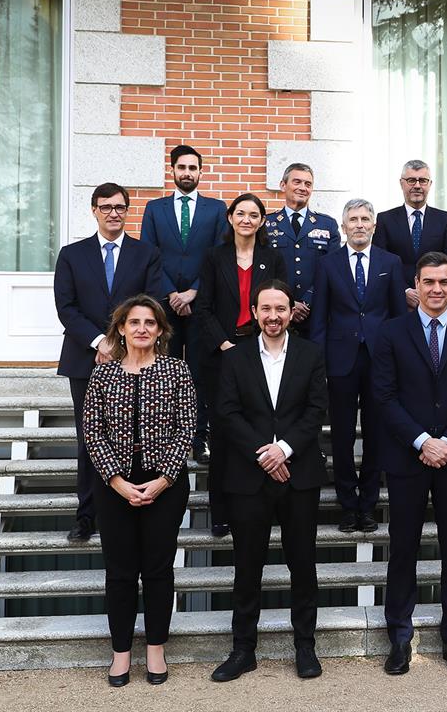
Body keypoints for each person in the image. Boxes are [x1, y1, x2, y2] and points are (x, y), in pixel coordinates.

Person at [372, 252, 447, 675]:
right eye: (429, 282)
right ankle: (400, 638)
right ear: (416, 285)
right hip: (408, 457)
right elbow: (384, 396)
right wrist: (423, 441)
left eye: (444, 282)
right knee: (403, 549)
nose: (437, 289)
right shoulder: (390, 333)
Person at [210, 280, 329, 682]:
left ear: (291, 312)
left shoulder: (311, 354)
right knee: (247, 567)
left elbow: (316, 411)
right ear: (255, 311)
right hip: (249, 476)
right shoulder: (236, 357)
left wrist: (286, 450)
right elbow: (226, 413)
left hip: (299, 475)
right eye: (266, 309)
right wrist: (265, 451)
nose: (274, 316)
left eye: (281, 309)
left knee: (303, 564)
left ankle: (305, 647)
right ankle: (243, 649)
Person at [82, 295, 194, 687]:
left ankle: (157, 651)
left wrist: (163, 480)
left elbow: (187, 430)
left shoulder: (177, 371)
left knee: (159, 570)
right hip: (115, 486)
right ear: (121, 329)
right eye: (134, 322)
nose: (142, 328)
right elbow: (93, 433)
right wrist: (118, 482)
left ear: (161, 330)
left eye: (150, 322)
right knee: (121, 572)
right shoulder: (103, 375)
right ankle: (120, 654)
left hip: (165, 484)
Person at [54, 182, 164, 542]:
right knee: (91, 439)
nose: (113, 213)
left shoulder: (145, 253)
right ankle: (86, 516)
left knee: (132, 436)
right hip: (86, 360)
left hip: (137, 360)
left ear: (127, 210)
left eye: (119, 207)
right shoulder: (72, 255)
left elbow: (151, 302)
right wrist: (100, 341)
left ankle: (127, 505)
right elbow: (66, 308)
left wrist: (120, 342)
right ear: (94, 211)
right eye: (106, 207)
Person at [193, 193, 287, 537]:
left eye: (254, 214)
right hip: (223, 355)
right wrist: (226, 345)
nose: (247, 219)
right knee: (223, 436)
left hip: (263, 353)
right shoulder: (214, 256)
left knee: (262, 429)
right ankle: (221, 512)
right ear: (230, 218)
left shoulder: (272, 257)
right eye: (241, 213)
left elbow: (279, 302)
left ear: (262, 221)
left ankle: (262, 508)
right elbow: (203, 308)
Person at [308, 199, 405, 533]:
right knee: (342, 437)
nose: (360, 224)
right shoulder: (326, 264)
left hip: (380, 360)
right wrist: (319, 364)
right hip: (340, 360)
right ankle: (347, 506)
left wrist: (397, 361)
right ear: (343, 226)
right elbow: (319, 317)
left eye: (366, 219)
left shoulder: (390, 263)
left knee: (377, 435)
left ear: (374, 225)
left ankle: (368, 506)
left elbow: (398, 317)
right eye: (353, 219)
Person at [139, 144, 228, 463]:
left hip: (202, 305)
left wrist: (193, 292)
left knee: (201, 373)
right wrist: (172, 293)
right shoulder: (154, 208)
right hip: (165, 307)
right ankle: (166, 439)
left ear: (201, 173)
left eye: (193, 168)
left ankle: (199, 438)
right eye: (182, 167)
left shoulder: (217, 210)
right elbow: (148, 255)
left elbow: (220, 256)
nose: (187, 173)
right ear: (173, 171)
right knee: (165, 373)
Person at [264, 163, 341, 336]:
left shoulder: (327, 225)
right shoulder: (266, 224)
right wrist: (288, 302)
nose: (302, 188)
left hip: (316, 312)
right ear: (283, 185)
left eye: (308, 184)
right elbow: (263, 269)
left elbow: (333, 269)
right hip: (276, 313)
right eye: (297, 182)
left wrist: (307, 301)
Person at [374, 159, 447, 310]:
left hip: (435, 300)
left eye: (423, 180)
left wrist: (430, 288)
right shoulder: (385, 219)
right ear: (402, 183)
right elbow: (379, 261)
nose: (417, 186)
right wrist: (404, 290)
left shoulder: (445, 219)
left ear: (430, 184)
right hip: (396, 303)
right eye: (411, 180)